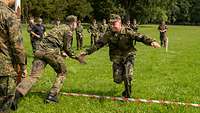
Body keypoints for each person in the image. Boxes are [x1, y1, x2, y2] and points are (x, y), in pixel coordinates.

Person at [78, 14, 160, 98]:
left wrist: (151, 42)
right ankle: (124, 81)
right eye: (111, 23)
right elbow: (98, 44)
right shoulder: (108, 34)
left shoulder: (128, 31)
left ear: (120, 22)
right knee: (117, 79)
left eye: (114, 23)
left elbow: (140, 37)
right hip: (117, 59)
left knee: (127, 76)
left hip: (128, 56)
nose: (112, 25)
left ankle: (127, 94)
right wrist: (86, 52)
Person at [15, 15, 84, 106]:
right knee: (63, 72)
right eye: (76, 23)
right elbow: (67, 48)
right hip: (50, 53)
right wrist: (77, 57)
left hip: (39, 51)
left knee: (34, 76)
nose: (77, 25)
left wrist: (61, 51)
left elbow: (54, 41)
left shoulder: (58, 28)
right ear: (73, 23)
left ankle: (16, 95)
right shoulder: (68, 31)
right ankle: (52, 96)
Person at [0, 0, 26, 111]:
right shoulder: (8, 14)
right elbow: (17, 44)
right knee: (4, 101)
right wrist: (22, 65)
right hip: (4, 66)